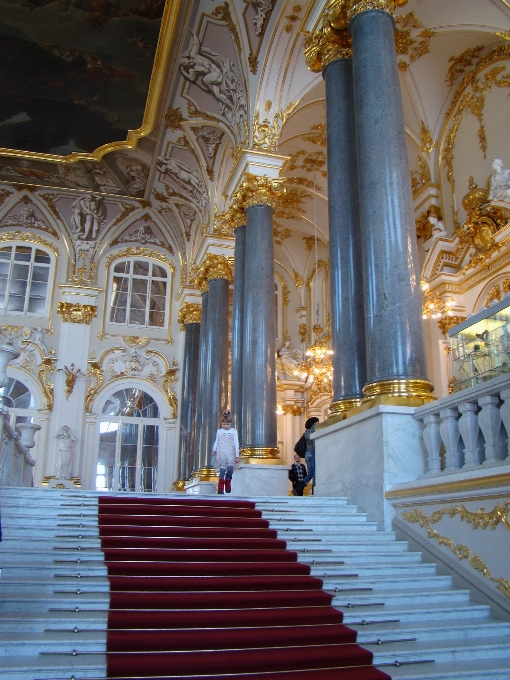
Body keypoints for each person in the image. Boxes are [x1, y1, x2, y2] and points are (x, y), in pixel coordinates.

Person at [211, 410, 239, 494]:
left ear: (231, 423)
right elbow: (216, 441)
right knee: (222, 471)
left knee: (230, 469)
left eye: (227, 424)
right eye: (224, 424)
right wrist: (214, 449)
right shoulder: (219, 431)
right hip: (221, 453)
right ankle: (220, 489)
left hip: (230, 453)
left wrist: (237, 456)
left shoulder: (234, 431)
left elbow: (236, 443)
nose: (225, 426)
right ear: (221, 423)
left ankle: (228, 481)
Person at [300, 417, 319, 494]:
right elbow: (314, 443)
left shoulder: (306, 432)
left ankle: (299, 487)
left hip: (307, 454)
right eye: (317, 422)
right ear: (314, 423)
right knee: (315, 474)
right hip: (313, 453)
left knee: (310, 474)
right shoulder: (315, 430)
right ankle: (315, 491)